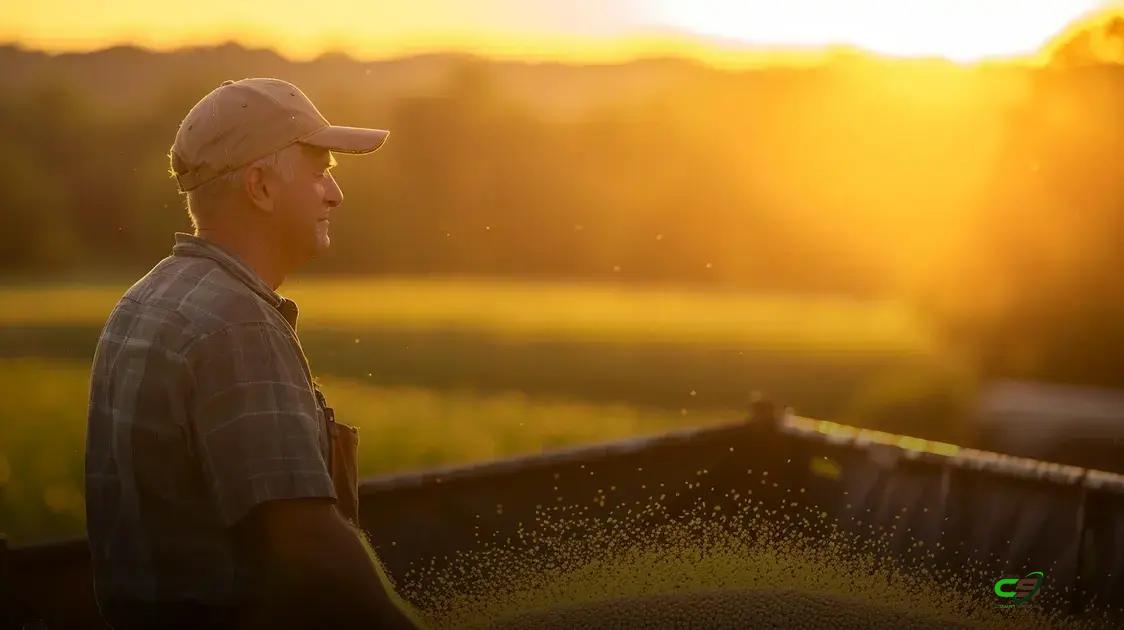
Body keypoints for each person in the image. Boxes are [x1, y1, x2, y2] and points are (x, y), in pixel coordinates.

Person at [85, 77, 422, 629]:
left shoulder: (145, 299)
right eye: (319, 172)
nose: (335, 194)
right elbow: (305, 541)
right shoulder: (236, 325)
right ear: (260, 187)